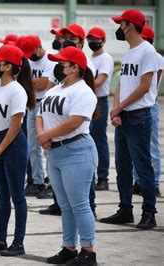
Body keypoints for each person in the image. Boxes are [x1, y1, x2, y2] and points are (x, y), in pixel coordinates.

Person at [36, 46, 98, 265]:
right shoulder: (55, 90)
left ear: (74, 68)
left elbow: (75, 122)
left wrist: (46, 136)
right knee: (65, 206)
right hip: (55, 152)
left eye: (62, 63)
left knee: (80, 204)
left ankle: (88, 252)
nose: (57, 66)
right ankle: (69, 248)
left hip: (76, 151)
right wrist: (43, 135)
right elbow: (40, 114)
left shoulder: (83, 92)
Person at [100, 9, 158, 230]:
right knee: (122, 165)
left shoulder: (147, 51)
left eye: (121, 23)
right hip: (124, 115)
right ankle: (125, 209)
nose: (119, 27)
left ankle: (149, 212)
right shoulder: (130, 52)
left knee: (142, 167)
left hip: (139, 116)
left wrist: (121, 107)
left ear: (130, 26)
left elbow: (144, 87)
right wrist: (116, 109)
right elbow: (123, 83)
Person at [0, 44, 35, 256]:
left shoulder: (17, 90)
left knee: (17, 196)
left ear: (9, 67)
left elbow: (15, 125)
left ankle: (18, 243)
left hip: (12, 145)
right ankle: (0, 239)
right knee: (2, 196)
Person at [17, 35, 56, 199]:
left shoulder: (50, 59)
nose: (30, 56)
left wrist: (29, 80)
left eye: (31, 51)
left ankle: (52, 183)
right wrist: (34, 81)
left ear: (39, 46)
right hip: (32, 103)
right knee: (32, 145)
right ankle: (37, 182)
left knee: (47, 145)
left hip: (46, 104)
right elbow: (26, 81)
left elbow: (44, 84)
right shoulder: (29, 60)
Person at [133, 26, 163, 197]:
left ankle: (154, 182)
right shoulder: (139, 54)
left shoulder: (154, 56)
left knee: (151, 146)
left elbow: (152, 84)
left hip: (148, 104)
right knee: (137, 146)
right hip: (138, 103)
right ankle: (138, 181)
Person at [87, 27, 114, 191]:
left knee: (99, 139)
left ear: (103, 41)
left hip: (99, 101)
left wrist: (81, 85)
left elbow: (99, 82)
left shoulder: (106, 59)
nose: (92, 42)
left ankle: (103, 177)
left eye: (95, 39)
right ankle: (92, 174)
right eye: (89, 39)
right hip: (87, 99)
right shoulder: (90, 58)